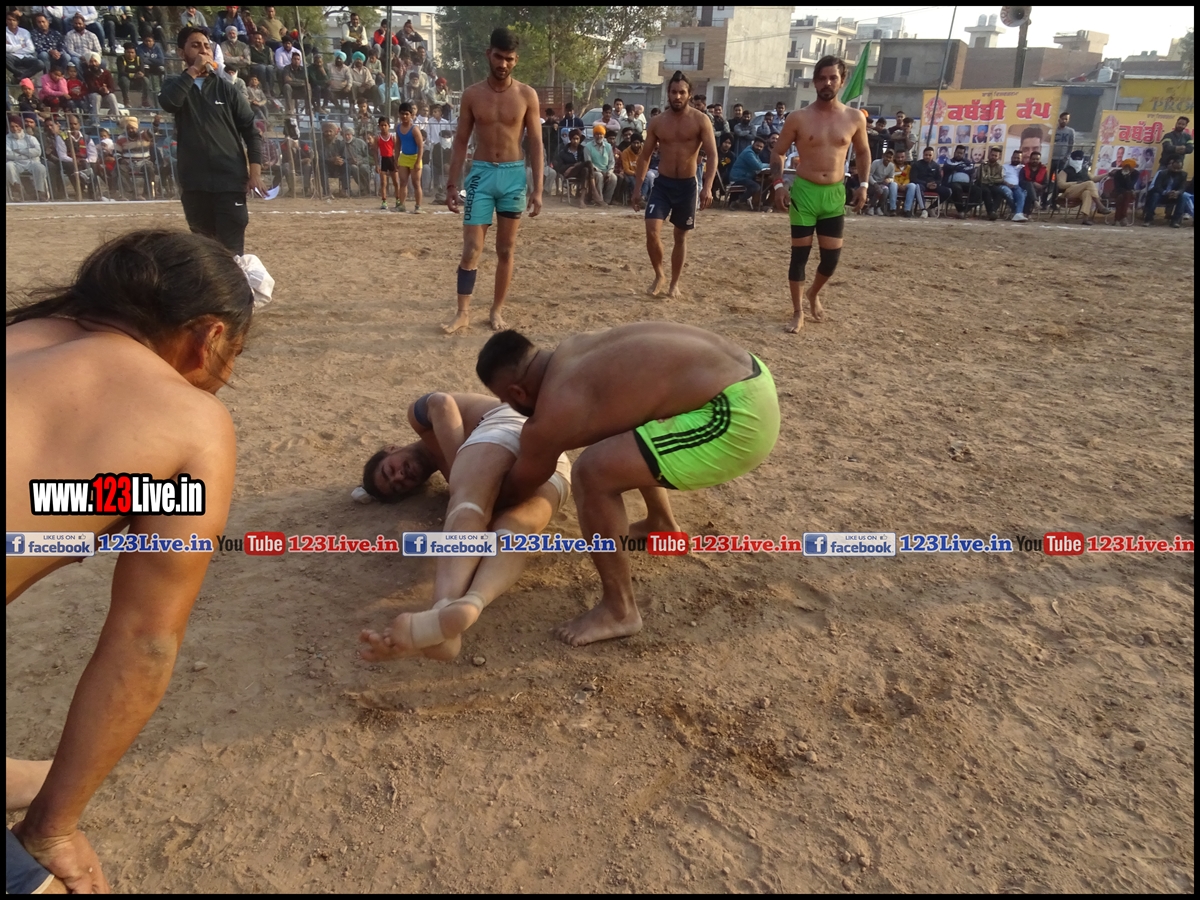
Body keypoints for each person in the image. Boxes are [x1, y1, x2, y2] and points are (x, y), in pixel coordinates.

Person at [6, 230, 264, 895]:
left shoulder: (23, 335)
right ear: (209, 337)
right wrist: (51, 829)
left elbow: (54, 500)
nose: (225, 377)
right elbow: (144, 640)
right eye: (234, 355)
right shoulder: (191, 423)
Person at [475, 323, 779, 647]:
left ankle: (619, 610)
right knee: (623, 422)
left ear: (517, 393)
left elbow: (518, 488)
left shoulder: (555, 410)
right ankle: (660, 525)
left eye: (505, 401)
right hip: (753, 375)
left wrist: (472, 494)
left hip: (739, 418)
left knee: (591, 473)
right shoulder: (574, 350)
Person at [357, 392, 573, 662]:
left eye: (390, 470)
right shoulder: (454, 473)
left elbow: (441, 402)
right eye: (399, 485)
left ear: (391, 448)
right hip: (555, 464)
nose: (400, 475)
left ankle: (441, 610)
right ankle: (472, 603)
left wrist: (462, 475)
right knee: (514, 531)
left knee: (467, 507)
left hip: (507, 427)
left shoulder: (420, 419)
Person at [443, 27, 543, 334]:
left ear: (516, 60)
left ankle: (496, 310)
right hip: (481, 176)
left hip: (514, 176)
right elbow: (461, 141)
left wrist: (538, 189)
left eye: (509, 59)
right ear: (489, 54)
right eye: (498, 57)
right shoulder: (472, 95)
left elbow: (536, 143)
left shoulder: (527, 95)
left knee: (506, 250)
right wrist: (451, 184)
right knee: (472, 247)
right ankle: (463, 312)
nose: (503, 64)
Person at [772, 55, 870, 334]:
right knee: (799, 256)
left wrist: (863, 185)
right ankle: (797, 311)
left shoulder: (854, 118)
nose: (827, 83)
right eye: (822, 78)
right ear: (815, 81)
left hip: (834, 194)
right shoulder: (798, 118)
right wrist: (779, 184)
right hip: (804, 192)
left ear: (842, 81)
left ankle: (813, 292)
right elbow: (778, 152)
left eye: (833, 78)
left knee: (831, 259)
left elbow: (863, 152)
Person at [160, 26, 265, 255]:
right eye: (195, 45)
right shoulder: (174, 85)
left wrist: (255, 173)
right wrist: (193, 71)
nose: (203, 50)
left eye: (207, 46)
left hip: (230, 182)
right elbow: (170, 103)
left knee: (231, 253)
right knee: (204, 253)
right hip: (194, 184)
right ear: (181, 53)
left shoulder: (227, 90)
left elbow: (251, 131)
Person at [629, 71, 716, 300]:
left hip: (687, 186)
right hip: (663, 184)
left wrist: (707, 187)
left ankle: (674, 283)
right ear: (668, 93)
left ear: (689, 94)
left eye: (682, 92)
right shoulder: (658, 122)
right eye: (674, 92)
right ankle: (659, 274)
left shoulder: (700, 120)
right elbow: (645, 156)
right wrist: (638, 188)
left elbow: (713, 155)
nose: (677, 96)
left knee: (680, 236)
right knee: (651, 230)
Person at [1055, 149, 1107, 225]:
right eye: (1075, 159)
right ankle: (1099, 205)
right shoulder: (1065, 171)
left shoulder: (1084, 170)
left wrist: (1108, 174)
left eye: (1079, 159)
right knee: (1089, 183)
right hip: (1069, 192)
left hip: (1080, 194)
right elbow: (1061, 185)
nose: (1077, 161)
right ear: (1071, 159)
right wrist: (1075, 183)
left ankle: (1085, 218)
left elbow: (1095, 179)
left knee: (1087, 193)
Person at [6, 117, 50, 200]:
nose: (15, 129)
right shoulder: (7, 139)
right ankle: (18, 191)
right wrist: (27, 154)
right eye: (12, 127)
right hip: (15, 163)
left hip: (31, 162)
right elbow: (8, 154)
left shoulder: (30, 138)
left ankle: (40, 192)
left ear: (21, 126)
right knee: (8, 166)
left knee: (40, 168)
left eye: (17, 126)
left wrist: (19, 151)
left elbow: (38, 151)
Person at [393, 100, 424, 212]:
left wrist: (418, 162)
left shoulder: (414, 129)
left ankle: (418, 206)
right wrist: (396, 159)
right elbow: (397, 145)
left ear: (411, 115)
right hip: (404, 157)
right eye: (402, 114)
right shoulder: (398, 128)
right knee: (403, 182)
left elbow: (421, 146)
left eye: (407, 114)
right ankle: (402, 205)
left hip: (415, 158)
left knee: (416, 183)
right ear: (399, 114)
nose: (404, 116)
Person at [555, 127, 595, 206]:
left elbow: (583, 162)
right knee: (588, 163)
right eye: (574, 139)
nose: (575, 141)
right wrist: (573, 166)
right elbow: (560, 168)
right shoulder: (564, 152)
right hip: (568, 173)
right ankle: (594, 191)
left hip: (581, 172)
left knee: (586, 170)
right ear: (570, 139)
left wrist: (574, 166)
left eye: (577, 139)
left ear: (580, 139)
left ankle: (581, 199)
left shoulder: (582, 150)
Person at [1143, 157, 1187, 227]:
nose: (1176, 170)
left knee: (1183, 197)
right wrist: (1166, 192)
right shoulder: (1162, 173)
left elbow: (1182, 188)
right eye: (1174, 168)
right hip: (1161, 195)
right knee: (1155, 195)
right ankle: (1148, 219)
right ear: (1171, 165)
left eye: (1178, 169)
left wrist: (1177, 192)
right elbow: (1157, 187)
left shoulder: (1183, 174)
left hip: (1174, 196)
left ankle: (1175, 221)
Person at [729, 134, 769, 209]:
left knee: (763, 181)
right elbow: (758, 166)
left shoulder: (754, 153)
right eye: (757, 145)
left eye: (761, 147)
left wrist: (767, 165)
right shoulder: (749, 153)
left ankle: (759, 204)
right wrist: (770, 165)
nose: (759, 148)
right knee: (756, 186)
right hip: (738, 178)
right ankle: (738, 202)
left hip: (745, 177)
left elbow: (759, 164)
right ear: (753, 144)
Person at [81, 51, 120, 119]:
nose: (93, 64)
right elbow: (91, 87)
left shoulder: (107, 73)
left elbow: (112, 88)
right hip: (93, 96)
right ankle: (95, 119)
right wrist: (100, 89)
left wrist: (107, 90)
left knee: (112, 96)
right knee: (96, 96)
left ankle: (118, 118)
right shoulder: (87, 74)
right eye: (91, 62)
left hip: (105, 95)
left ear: (99, 62)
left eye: (95, 61)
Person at [584, 123, 617, 203]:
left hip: (606, 170)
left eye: (601, 134)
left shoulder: (608, 146)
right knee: (599, 176)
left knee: (613, 178)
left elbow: (611, 161)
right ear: (594, 135)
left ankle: (607, 200)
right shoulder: (588, 146)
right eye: (597, 134)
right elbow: (588, 162)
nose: (599, 136)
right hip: (594, 171)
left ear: (604, 135)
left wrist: (609, 172)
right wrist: (600, 171)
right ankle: (599, 200)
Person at [976, 145, 1007, 220]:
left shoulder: (1000, 167)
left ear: (998, 157)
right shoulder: (983, 165)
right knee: (986, 191)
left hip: (993, 185)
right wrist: (994, 178)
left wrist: (989, 178)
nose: (993, 157)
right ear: (989, 155)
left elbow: (1001, 179)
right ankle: (991, 212)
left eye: (995, 156)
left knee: (1000, 192)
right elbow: (982, 179)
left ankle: (993, 211)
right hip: (982, 185)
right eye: (992, 155)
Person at [375, 115, 400, 210]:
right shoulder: (378, 138)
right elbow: (375, 151)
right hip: (383, 160)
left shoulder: (392, 137)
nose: (383, 127)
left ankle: (398, 200)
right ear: (379, 126)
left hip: (391, 160)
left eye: (385, 125)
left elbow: (396, 150)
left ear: (389, 126)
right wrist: (377, 164)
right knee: (383, 183)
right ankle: (384, 201)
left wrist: (397, 161)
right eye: (381, 125)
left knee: (396, 182)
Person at [942, 144, 974, 216]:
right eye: (957, 152)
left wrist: (958, 168)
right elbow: (949, 167)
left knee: (978, 190)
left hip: (966, 184)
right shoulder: (949, 161)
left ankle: (964, 210)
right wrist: (963, 168)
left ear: (963, 154)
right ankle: (961, 210)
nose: (959, 154)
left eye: (961, 153)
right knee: (957, 188)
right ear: (954, 152)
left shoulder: (967, 162)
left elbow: (972, 169)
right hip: (952, 183)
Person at [1107, 157, 1140, 224]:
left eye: (1129, 167)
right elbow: (1117, 186)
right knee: (1122, 196)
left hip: (1129, 193)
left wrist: (1127, 176)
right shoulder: (1118, 173)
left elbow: (1131, 185)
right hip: (1118, 191)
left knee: (1126, 194)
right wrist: (1124, 191)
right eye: (1125, 167)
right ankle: (1123, 217)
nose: (1127, 169)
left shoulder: (1136, 173)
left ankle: (1117, 219)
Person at [1001, 148, 1029, 221]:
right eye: (1014, 157)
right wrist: (1008, 184)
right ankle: (1017, 212)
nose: (1016, 159)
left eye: (1018, 158)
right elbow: (1001, 178)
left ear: (1021, 159)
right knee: (1008, 193)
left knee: (1022, 192)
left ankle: (1017, 213)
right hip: (1005, 186)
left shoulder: (1023, 168)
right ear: (1011, 157)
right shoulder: (1005, 166)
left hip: (1017, 187)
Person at [868, 148, 897, 215]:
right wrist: (874, 183)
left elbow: (892, 177)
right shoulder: (876, 162)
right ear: (883, 156)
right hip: (872, 183)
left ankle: (878, 207)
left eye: (890, 157)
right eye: (887, 156)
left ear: (892, 158)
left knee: (886, 190)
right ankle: (871, 207)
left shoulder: (892, 166)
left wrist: (889, 180)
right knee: (879, 190)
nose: (888, 159)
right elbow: (869, 175)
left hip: (882, 184)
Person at [1051, 110, 1074, 175]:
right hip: (1051, 158)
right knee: (1048, 176)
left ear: (1068, 120)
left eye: (1066, 119)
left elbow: (1071, 145)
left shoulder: (1070, 131)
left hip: (1062, 158)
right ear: (1059, 119)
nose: (1064, 121)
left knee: (1059, 176)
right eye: (1062, 119)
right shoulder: (1053, 129)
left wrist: (1066, 157)